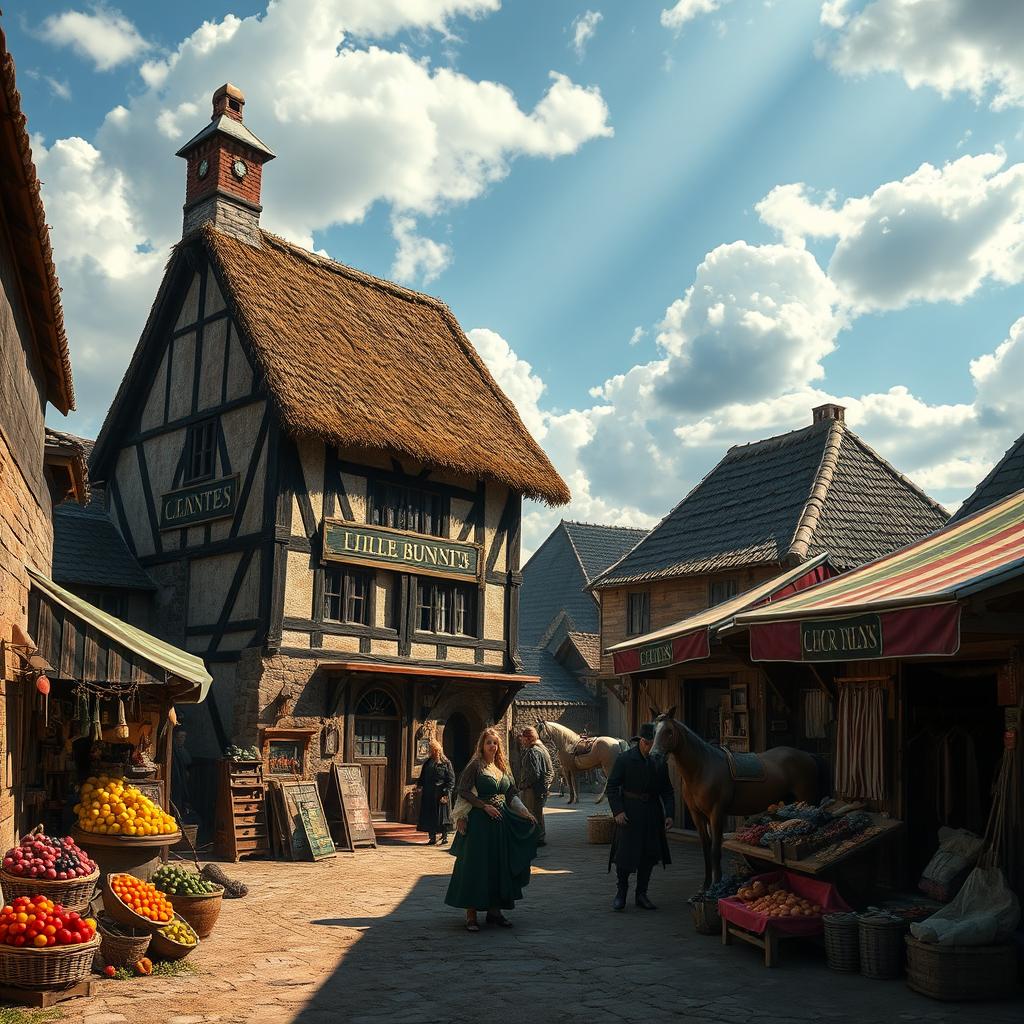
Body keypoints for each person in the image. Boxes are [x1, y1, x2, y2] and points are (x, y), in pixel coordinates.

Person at [445, 727, 538, 932]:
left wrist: (525, 813)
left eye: (495, 743)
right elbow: (463, 791)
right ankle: (471, 914)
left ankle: (495, 912)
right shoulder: (475, 766)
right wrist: (483, 806)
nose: (492, 746)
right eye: (488, 742)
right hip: (479, 825)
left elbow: (511, 794)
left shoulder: (502, 767)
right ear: (482, 745)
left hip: (500, 825)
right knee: (475, 866)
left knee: (498, 865)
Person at [606, 722, 674, 911]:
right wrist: (618, 811)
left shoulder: (659, 762)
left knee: (649, 855)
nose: (655, 748)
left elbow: (667, 791)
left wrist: (669, 814)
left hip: (652, 813)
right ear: (643, 742)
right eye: (652, 743)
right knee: (625, 855)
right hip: (630, 812)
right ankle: (621, 892)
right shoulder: (625, 759)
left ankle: (641, 894)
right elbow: (612, 787)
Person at [517, 727, 555, 846]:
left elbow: (534, 774)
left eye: (522, 738)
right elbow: (550, 771)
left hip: (533, 789)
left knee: (531, 813)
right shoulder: (543, 749)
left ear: (528, 738)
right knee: (538, 813)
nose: (521, 741)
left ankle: (534, 838)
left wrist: (523, 785)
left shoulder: (532, 751)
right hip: (541, 788)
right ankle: (539, 837)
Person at [416, 739, 455, 845]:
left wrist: (446, 793)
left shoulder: (446, 763)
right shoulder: (428, 763)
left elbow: (451, 780)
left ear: (437, 750)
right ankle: (432, 837)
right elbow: (423, 777)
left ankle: (445, 836)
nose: (431, 752)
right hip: (429, 793)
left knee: (443, 816)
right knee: (430, 816)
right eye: (430, 750)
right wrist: (419, 786)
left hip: (441, 793)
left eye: (433, 750)